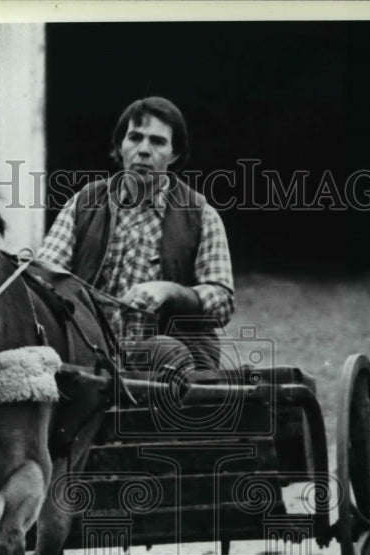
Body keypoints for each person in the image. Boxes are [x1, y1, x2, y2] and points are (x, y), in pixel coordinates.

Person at [36, 96, 234, 378]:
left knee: (165, 350)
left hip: (166, 366)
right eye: (135, 137)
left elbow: (223, 301)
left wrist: (170, 291)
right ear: (120, 146)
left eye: (157, 141)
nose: (143, 150)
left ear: (174, 154)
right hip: (91, 358)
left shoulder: (200, 214)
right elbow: (45, 274)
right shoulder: (85, 203)